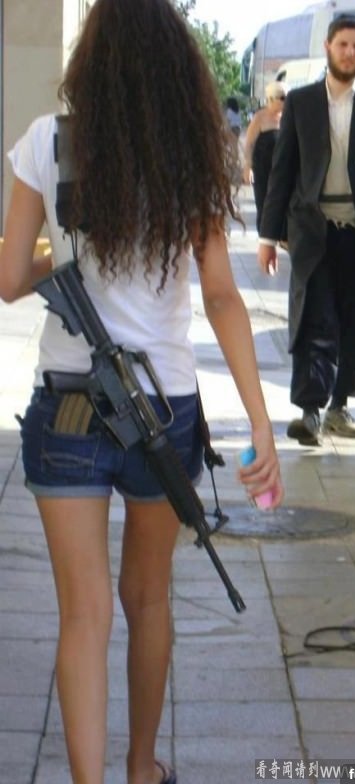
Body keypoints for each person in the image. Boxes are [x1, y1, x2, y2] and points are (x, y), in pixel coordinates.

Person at [0, 2, 283, 783]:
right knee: (147, 599)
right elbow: (221, 295)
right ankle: (139, 768)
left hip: (67, 404)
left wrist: (64, 251)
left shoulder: (45, 141)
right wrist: (260, 422)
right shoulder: (192, 150)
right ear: (174, 65)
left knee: (83, 614)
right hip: (164, 408)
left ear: (90, 58)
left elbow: (10, 279)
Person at [258, 14, 355, 446]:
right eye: (343, 44)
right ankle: (309, 411)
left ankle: (339, 407)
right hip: (314, 232)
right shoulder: (302, 102)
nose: (350, 53)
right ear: (328, 47)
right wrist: (268, 238)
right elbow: (282, 173)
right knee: (314, 319)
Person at [243, 81, 288, 234]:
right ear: (271, 98)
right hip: (263, 169)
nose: (286, 101)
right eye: (283, 98)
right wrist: (248, 167)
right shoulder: (260, 117)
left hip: (283, 170)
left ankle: (282, 236)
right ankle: (265, 237)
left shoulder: (288, 117)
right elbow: (249, 143)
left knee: (283, 204)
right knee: (264, 205)